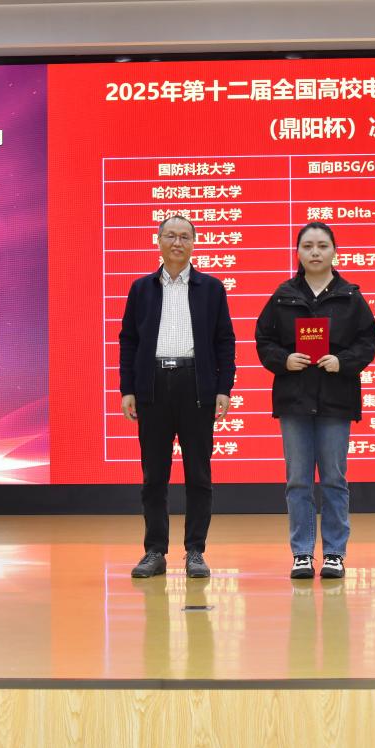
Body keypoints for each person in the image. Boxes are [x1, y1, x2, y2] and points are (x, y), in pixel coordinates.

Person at [254, 222, 375, 580]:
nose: (315, 252)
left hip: (336, 399)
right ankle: (303, 553)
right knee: (298, 480)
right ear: (298, 252)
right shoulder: (283, 295)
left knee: (335, 479)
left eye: (322, 245)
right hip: (294, 399)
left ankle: (335, 553)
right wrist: (284, 360)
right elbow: (263, 340)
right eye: (307, 246)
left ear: (334, 251)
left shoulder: (350, 296)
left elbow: (367, 341)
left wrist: (343, 361)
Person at [120, 214, 236, 579]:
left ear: (193, 243)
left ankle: (195, 551)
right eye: (170, 235)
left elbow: (225, 341)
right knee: (154, 475)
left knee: (198, 474)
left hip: (196, 386)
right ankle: (154, 551)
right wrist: (127, 389)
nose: (177, 242)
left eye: (184, 236)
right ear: (158, 241)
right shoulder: (142, 289)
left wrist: (223, 388)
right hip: (152, 386)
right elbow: (128, 340)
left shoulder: (211, 288)